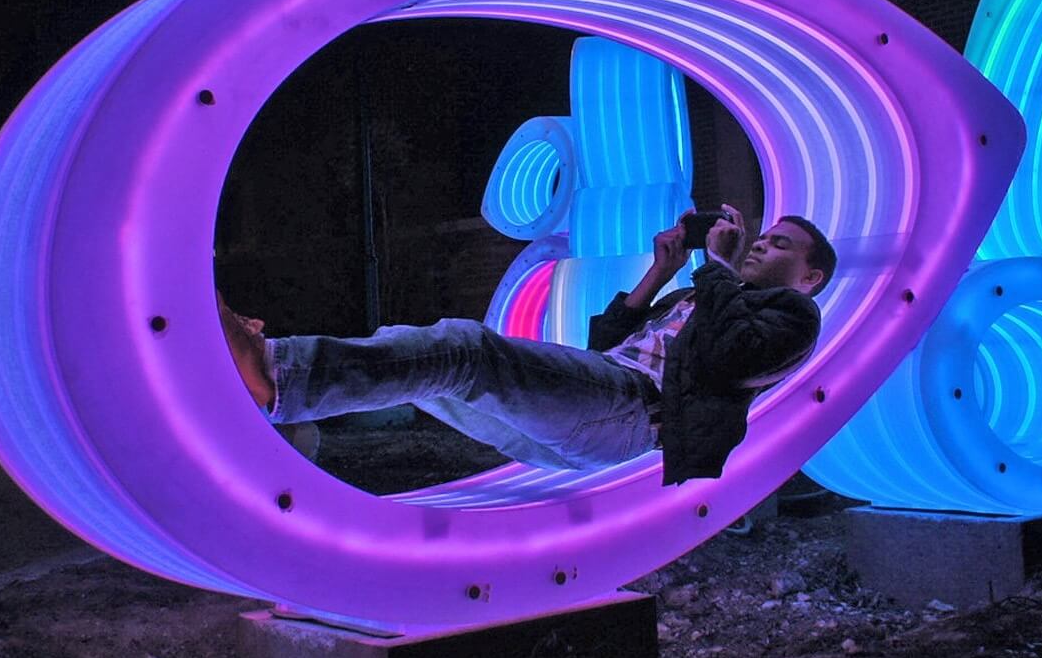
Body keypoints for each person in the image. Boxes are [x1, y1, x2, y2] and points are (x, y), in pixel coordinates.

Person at [216, 205, 834, 485]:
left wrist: (718, 269)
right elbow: (609, 346)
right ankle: (268, 391)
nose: (760, 244)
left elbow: (733, 359)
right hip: (597, 405)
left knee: (462, 351)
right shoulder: (699, 294)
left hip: (632, 416)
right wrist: (659, 272)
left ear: (811, 277)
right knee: (420, 356)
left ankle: (275, 376)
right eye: (764, 236)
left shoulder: (793, 317)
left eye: (781, 245)